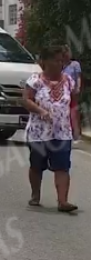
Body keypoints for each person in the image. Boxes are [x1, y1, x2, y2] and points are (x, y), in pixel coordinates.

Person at [22, 44, 77, 212]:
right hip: (39, 133)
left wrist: (76, 127)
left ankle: (63, 201)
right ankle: (35, 194)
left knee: (62, 166)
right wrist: (40, 111)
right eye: (55, 60)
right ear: (44, 62)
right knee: (37, 165)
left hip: (62, 133)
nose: (59, 64)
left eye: (61, 60)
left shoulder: (69, 81)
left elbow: (74, 105)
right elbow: (26, 100)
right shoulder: (35, 81)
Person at [63, 44, 82, 144]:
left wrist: (78, 87)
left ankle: (76, 135)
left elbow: (78, 77)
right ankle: (67, 134)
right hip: (63, 92)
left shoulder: (75, 64)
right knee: (64, 113)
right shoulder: (60, 65)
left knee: (73, 113)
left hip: (73, 91)